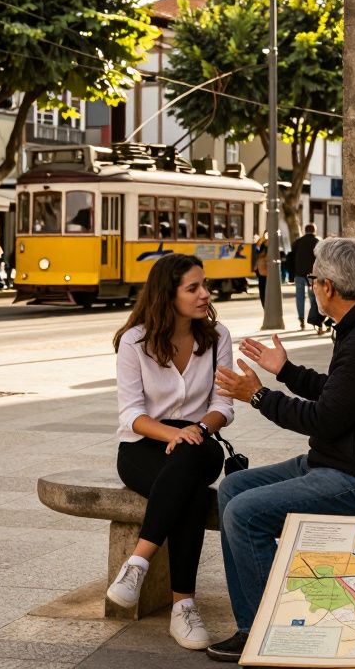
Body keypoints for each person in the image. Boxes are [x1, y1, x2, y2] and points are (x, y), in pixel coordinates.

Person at [207, 238, 355, 662]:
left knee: (244, 513)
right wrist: (285, 371)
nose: (312, 286)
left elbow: (324, 419)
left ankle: (273, 631)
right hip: (337, 461)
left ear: (326, 287)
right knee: (233, 489)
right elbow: (338, 394)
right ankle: (253, 623)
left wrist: (257, 396)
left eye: (312, 279)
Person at [108, 253, 233, 651]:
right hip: (142, 448)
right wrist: (171, 435)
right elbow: (131, 415)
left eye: (204, 285)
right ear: (168, 293)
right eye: (193, 288)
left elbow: (224, 407)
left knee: (191, 459)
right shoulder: (135, 341)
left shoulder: (218, 337)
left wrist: (195, 430)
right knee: (190, 492)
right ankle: (184, 607)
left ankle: (138, 561)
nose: (205, 294)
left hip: (200, 442)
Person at [288, 223, 323, 333]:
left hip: (299, 274)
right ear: (314, 231)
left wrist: (291, 275)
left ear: (305, 230)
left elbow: (290, 259)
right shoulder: (317, 242)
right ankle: (315, 321)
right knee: (314, 298)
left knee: (300, 297)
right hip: (312, 275)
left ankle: (301, 320)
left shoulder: (297, 242)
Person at [251, 232, 269, 306]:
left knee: (263, 297)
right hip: (266, 278)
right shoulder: (266, 257)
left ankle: (266, 310)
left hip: (262, 277)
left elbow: (255, 268)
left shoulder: (259, 257)